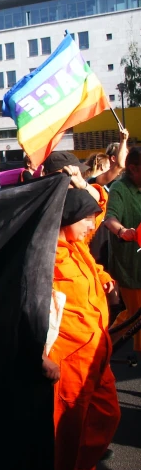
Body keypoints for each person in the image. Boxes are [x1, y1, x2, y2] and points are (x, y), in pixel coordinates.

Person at [42, 188, 120, 470]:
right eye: (87, 220)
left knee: (107, 415)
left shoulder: (79, 246)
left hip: (98, 355)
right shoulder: (46, 254)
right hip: (69, 360)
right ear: (70, 219)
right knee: (65, 433)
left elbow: (96, 209)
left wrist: (103, 276)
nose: (93, 225)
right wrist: (40, 356)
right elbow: (29, 306)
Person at [104, 146, 141, 357]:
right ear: (133, 168)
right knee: (135, 317)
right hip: (131, 266)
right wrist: (123, 231)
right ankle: (102, 350)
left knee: (131, 316)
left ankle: (102, 347)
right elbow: (109, 219)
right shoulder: (119, 188)